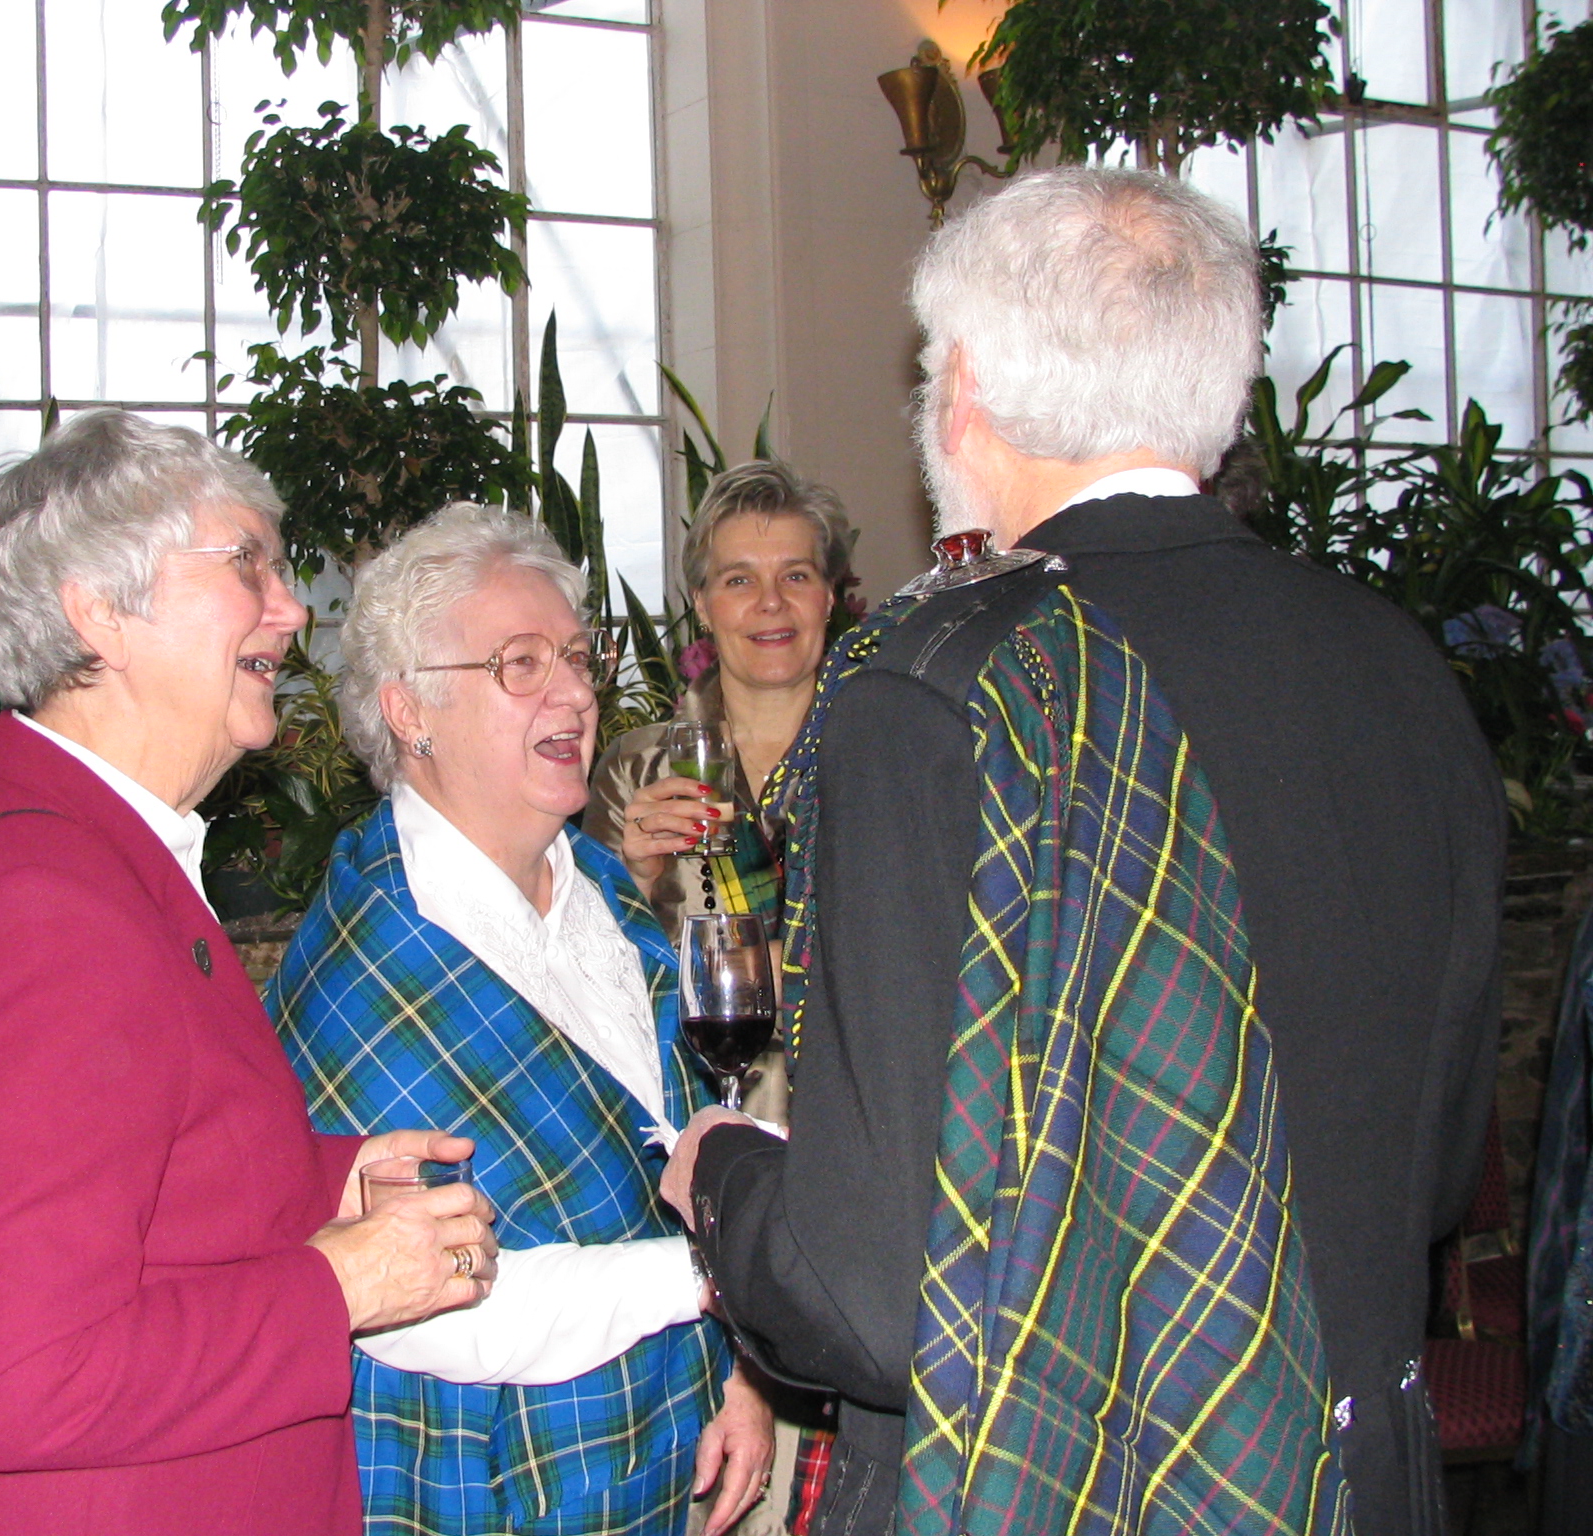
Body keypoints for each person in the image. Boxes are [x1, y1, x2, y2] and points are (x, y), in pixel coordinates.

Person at [661, 168, 1504, 1536]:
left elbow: (866, 1300)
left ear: (967, 388)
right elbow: (1438, 1163)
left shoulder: (945, 684)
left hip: (1064, 1484)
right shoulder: (1400, 667)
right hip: (1355, 1476)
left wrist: (721, 1179)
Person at [0, 412, 498, 1536]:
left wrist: (322, 1183)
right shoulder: (46, 901)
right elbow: (30, 1376)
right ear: (98, 612)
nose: (291, 609)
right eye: (247, 563)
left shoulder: (83, 849)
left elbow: (133, 1175)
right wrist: (345, 1282)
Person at [269, 502, 775, 1536]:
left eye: (578, 659)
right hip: (476, 1482)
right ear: (408, 711)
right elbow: (432, 1308)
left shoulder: (593, 879)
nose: (577, 693)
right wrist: (723, 1273)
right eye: (521, 664)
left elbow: (669, 1147)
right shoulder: (371, 957)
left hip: (658, 1458)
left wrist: (742, 1372)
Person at [585, 460, 854, 942]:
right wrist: (636, 881)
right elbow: (589, 965)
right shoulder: (636, 769)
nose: (771, 601)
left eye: (795, 576)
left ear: (829, 597)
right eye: (739, 580)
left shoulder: (884, 755)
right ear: (702, 605)